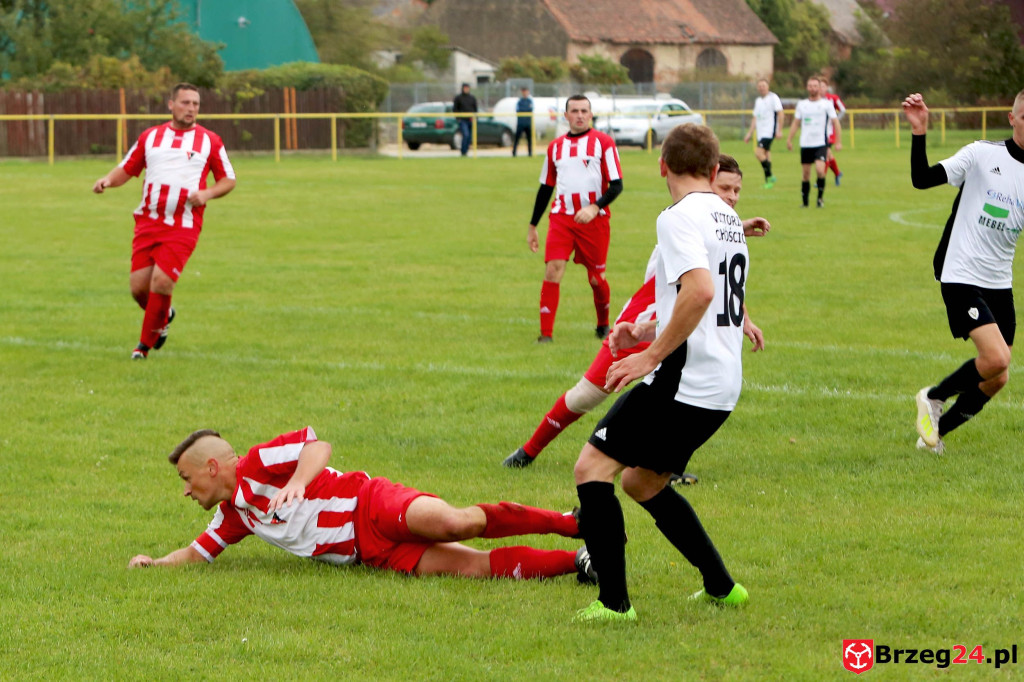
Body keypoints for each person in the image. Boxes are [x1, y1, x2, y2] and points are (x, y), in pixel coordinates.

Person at [571, 124, 750, 623]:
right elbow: (697, 302)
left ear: (662, 166)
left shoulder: (676, 216)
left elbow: (699, 294)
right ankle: (721, 587)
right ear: (715, 171)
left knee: (592, 469)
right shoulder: (726, 216)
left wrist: (650, 357)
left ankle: (614, 604)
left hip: (683, 380)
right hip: (720, 381)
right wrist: (644, 330)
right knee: (642, 482)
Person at [504, 154, 769, 471]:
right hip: (640, 328)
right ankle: (528, 451)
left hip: (683, 333)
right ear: (706, 182)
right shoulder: (681, 222)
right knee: (584, 397)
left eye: (737, 191)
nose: (731, 197)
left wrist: (745, 319)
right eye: (725, 188)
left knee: (685, 398)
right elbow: (699, 275)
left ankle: (664, 469)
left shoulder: (719, 228)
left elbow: (719, 283)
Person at [128, 426, 599, 584]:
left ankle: (572, 524)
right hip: (370, 553)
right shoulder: (233, 516)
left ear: (212, 467)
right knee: (470, 569)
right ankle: (580, 564)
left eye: (186, 478)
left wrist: (297, 482)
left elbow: (318, 445)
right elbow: (196, 553)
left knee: (453, 522)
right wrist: (153, 563)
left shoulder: (258, 461)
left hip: (369, 504)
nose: (185, 490)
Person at [903, 92, 1020, 455]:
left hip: (1000, 280)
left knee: (997, 376)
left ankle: (932, 439)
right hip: (961, 271)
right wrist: (919, 132)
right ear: (1012, 117)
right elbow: (922, 179)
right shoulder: (983, 154)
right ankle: (933, 397)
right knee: (997, 358)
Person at [93, 82, 236, 360]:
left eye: (195, 104)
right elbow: (128, 168)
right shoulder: (151, 137)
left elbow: (228, 180)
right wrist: (107, 180)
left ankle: (142, 347)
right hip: (148, 221)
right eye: (185, 103)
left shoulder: (210, 140)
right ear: (171, 105)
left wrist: (207, 193)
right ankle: (164, 316)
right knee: (138, 289)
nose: (191, 109)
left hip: (183, 225)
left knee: (162, 283)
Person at [528, 94, 623, 343]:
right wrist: (533, 225)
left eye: (584, 111)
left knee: (596, 279)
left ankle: (603, 324)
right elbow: (546, 188)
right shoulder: (555, 147)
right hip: (562, 218)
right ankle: (545, 335)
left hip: (596, 221)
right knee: (553, 270)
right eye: (574, 111)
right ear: (566, 115)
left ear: (590, 115)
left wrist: (594, 207)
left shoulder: (604, 143)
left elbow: (617, 185)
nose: (579, 115)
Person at [786, 76, 840, 208]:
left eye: (815, 86)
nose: (813, 88)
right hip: (805, 143)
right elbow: (796, 123)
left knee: (820, 171)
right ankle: (805, 203)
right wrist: (789, 139)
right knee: (805, 174)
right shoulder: (802, 105)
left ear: (819, 87)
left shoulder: (826, 104)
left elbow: (835, 122)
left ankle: (820, 199)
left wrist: (838, 141)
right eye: (810, 86)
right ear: (807, 87)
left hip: (821, 143)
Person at [743, 78, 784, 189]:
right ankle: (769, 181)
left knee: (758, 153)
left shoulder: (773, 98)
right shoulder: (758, 101)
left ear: (768, 86)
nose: (762, 88)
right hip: (761, 133)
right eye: (760, 86)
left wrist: (779, 130)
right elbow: (755, 118)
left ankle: (770, 176)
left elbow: (780, 113)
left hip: (769, 132)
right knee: (766, 155)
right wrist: (749, 133)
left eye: (763, 85)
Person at [820, 77, 846, 186]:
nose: (820, 88)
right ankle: (837, 173)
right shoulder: (814, 100)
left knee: (825, 153)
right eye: (819, 86)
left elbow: (843, 110)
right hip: (818, 132)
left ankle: (821, 179)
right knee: (829, 155)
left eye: (823, 86)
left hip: (829, 132)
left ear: (827, 88)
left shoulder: (832, 98)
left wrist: (834, 120)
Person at [453, 83, 478, 157]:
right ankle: (463, 152)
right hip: (463, 120)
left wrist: (475, 118)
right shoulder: (458, 98)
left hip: (471, 119)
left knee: (469, 137)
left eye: (467, 88)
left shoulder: (472, 98)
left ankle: (466, 151)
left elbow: (475, 108)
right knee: (466, 135)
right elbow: (455, 109)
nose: (466, 89)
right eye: (465, 88)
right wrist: (458, 118)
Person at [513, 86, 534, 157]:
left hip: (528, 123)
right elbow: (518, 110)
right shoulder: (519, 101)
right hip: (520, 123)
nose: (525, 93)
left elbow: (530, 109)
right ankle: (514, 153)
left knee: (529, 139)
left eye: (526, 91)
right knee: (517, 139)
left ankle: (530, 153)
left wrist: (524, 110)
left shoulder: (530, 101)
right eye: (524, 92)